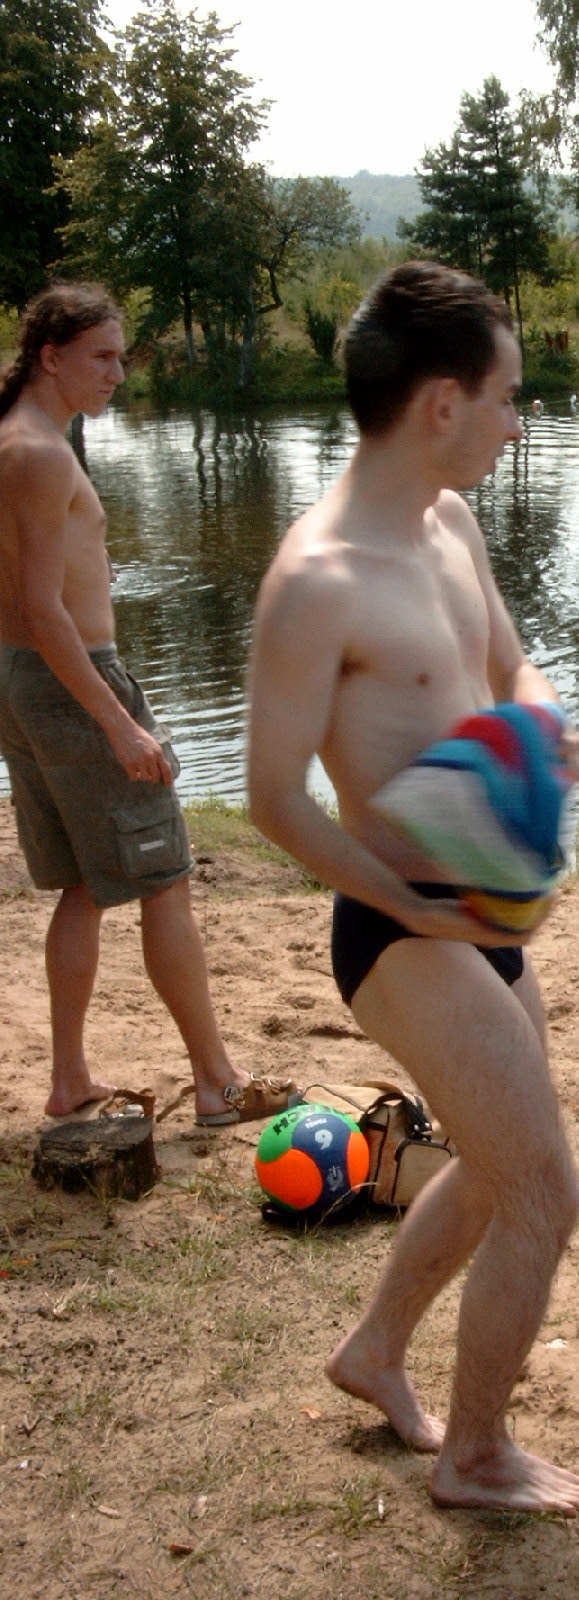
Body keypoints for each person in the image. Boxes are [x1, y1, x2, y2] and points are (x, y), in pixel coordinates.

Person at [246, 261, 579, 1517]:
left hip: (481, 913)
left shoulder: (451, 523)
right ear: (443, 403)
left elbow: (513, 665)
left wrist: (542, 741)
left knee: (501, 1163)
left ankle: (375, 1349)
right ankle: (476, 1454)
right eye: (509, 397)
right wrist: (410, 905)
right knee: (547, 1186)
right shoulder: (318, 580)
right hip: (399, 929)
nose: (519, 421)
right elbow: (275, 799)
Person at [0, 283, 295, 1126]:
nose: (118, 374)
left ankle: (69, 1079)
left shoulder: (14, 437)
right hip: (72, 683)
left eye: (121, 357)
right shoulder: (40, 451)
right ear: (50, 356)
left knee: (84, 886)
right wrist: (120, 722)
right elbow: (45, 607)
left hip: (19, 681)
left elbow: (30, 588)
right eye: (102, 357)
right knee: (165, 879)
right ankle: (216, 1083)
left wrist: (90, 574)